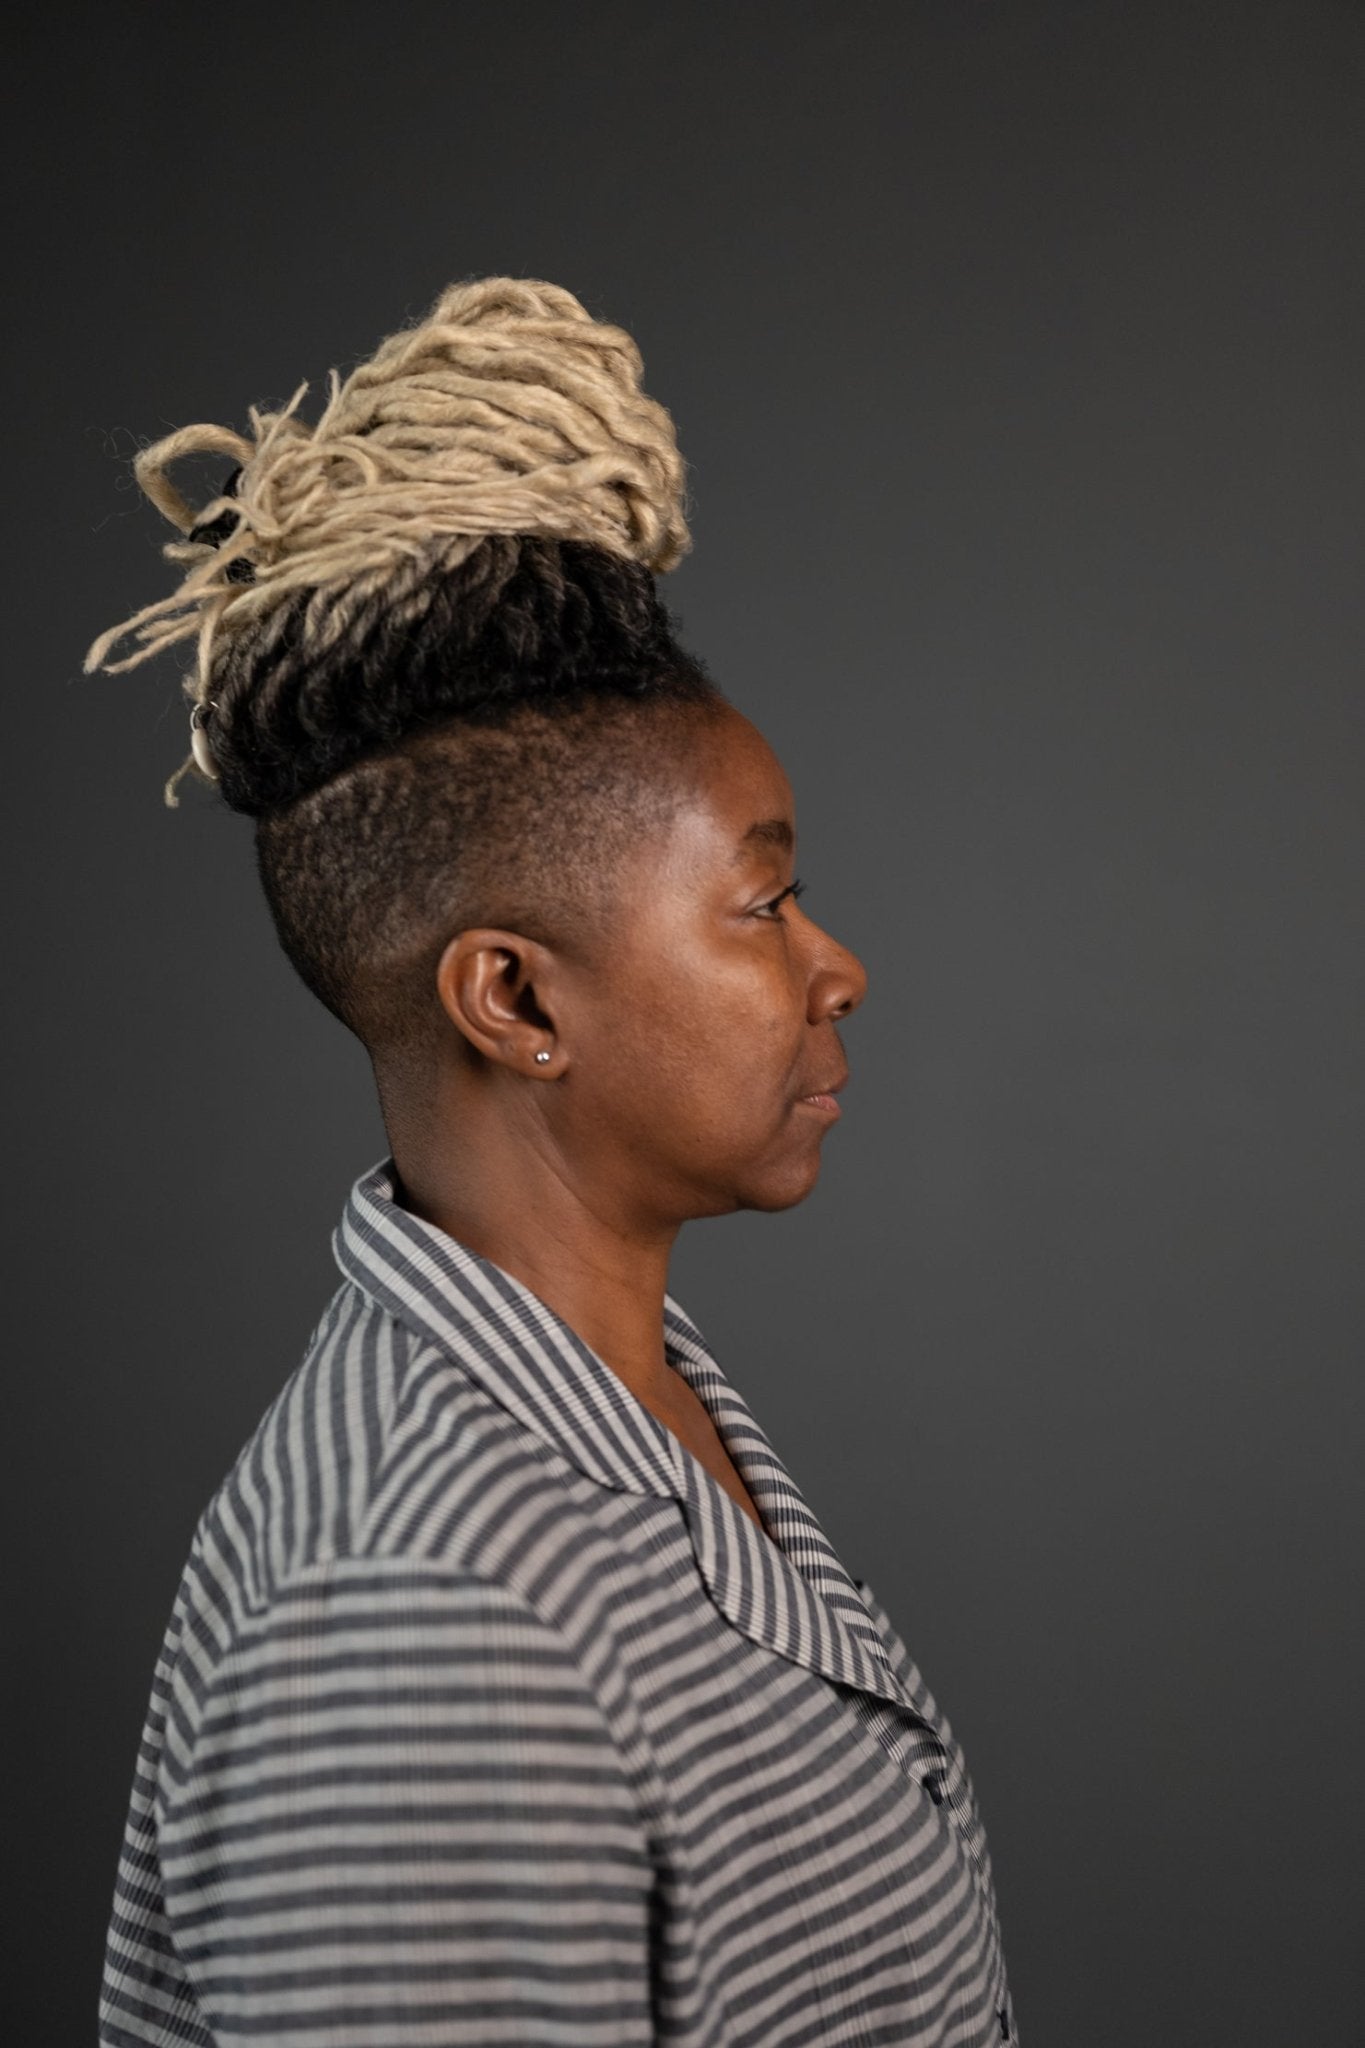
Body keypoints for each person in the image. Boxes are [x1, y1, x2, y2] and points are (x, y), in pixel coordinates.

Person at [87, 276, 1017, 2047]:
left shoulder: (618, 1405)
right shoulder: (418, 1607)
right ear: (513, 999)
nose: (835, 967)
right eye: (763, 901)